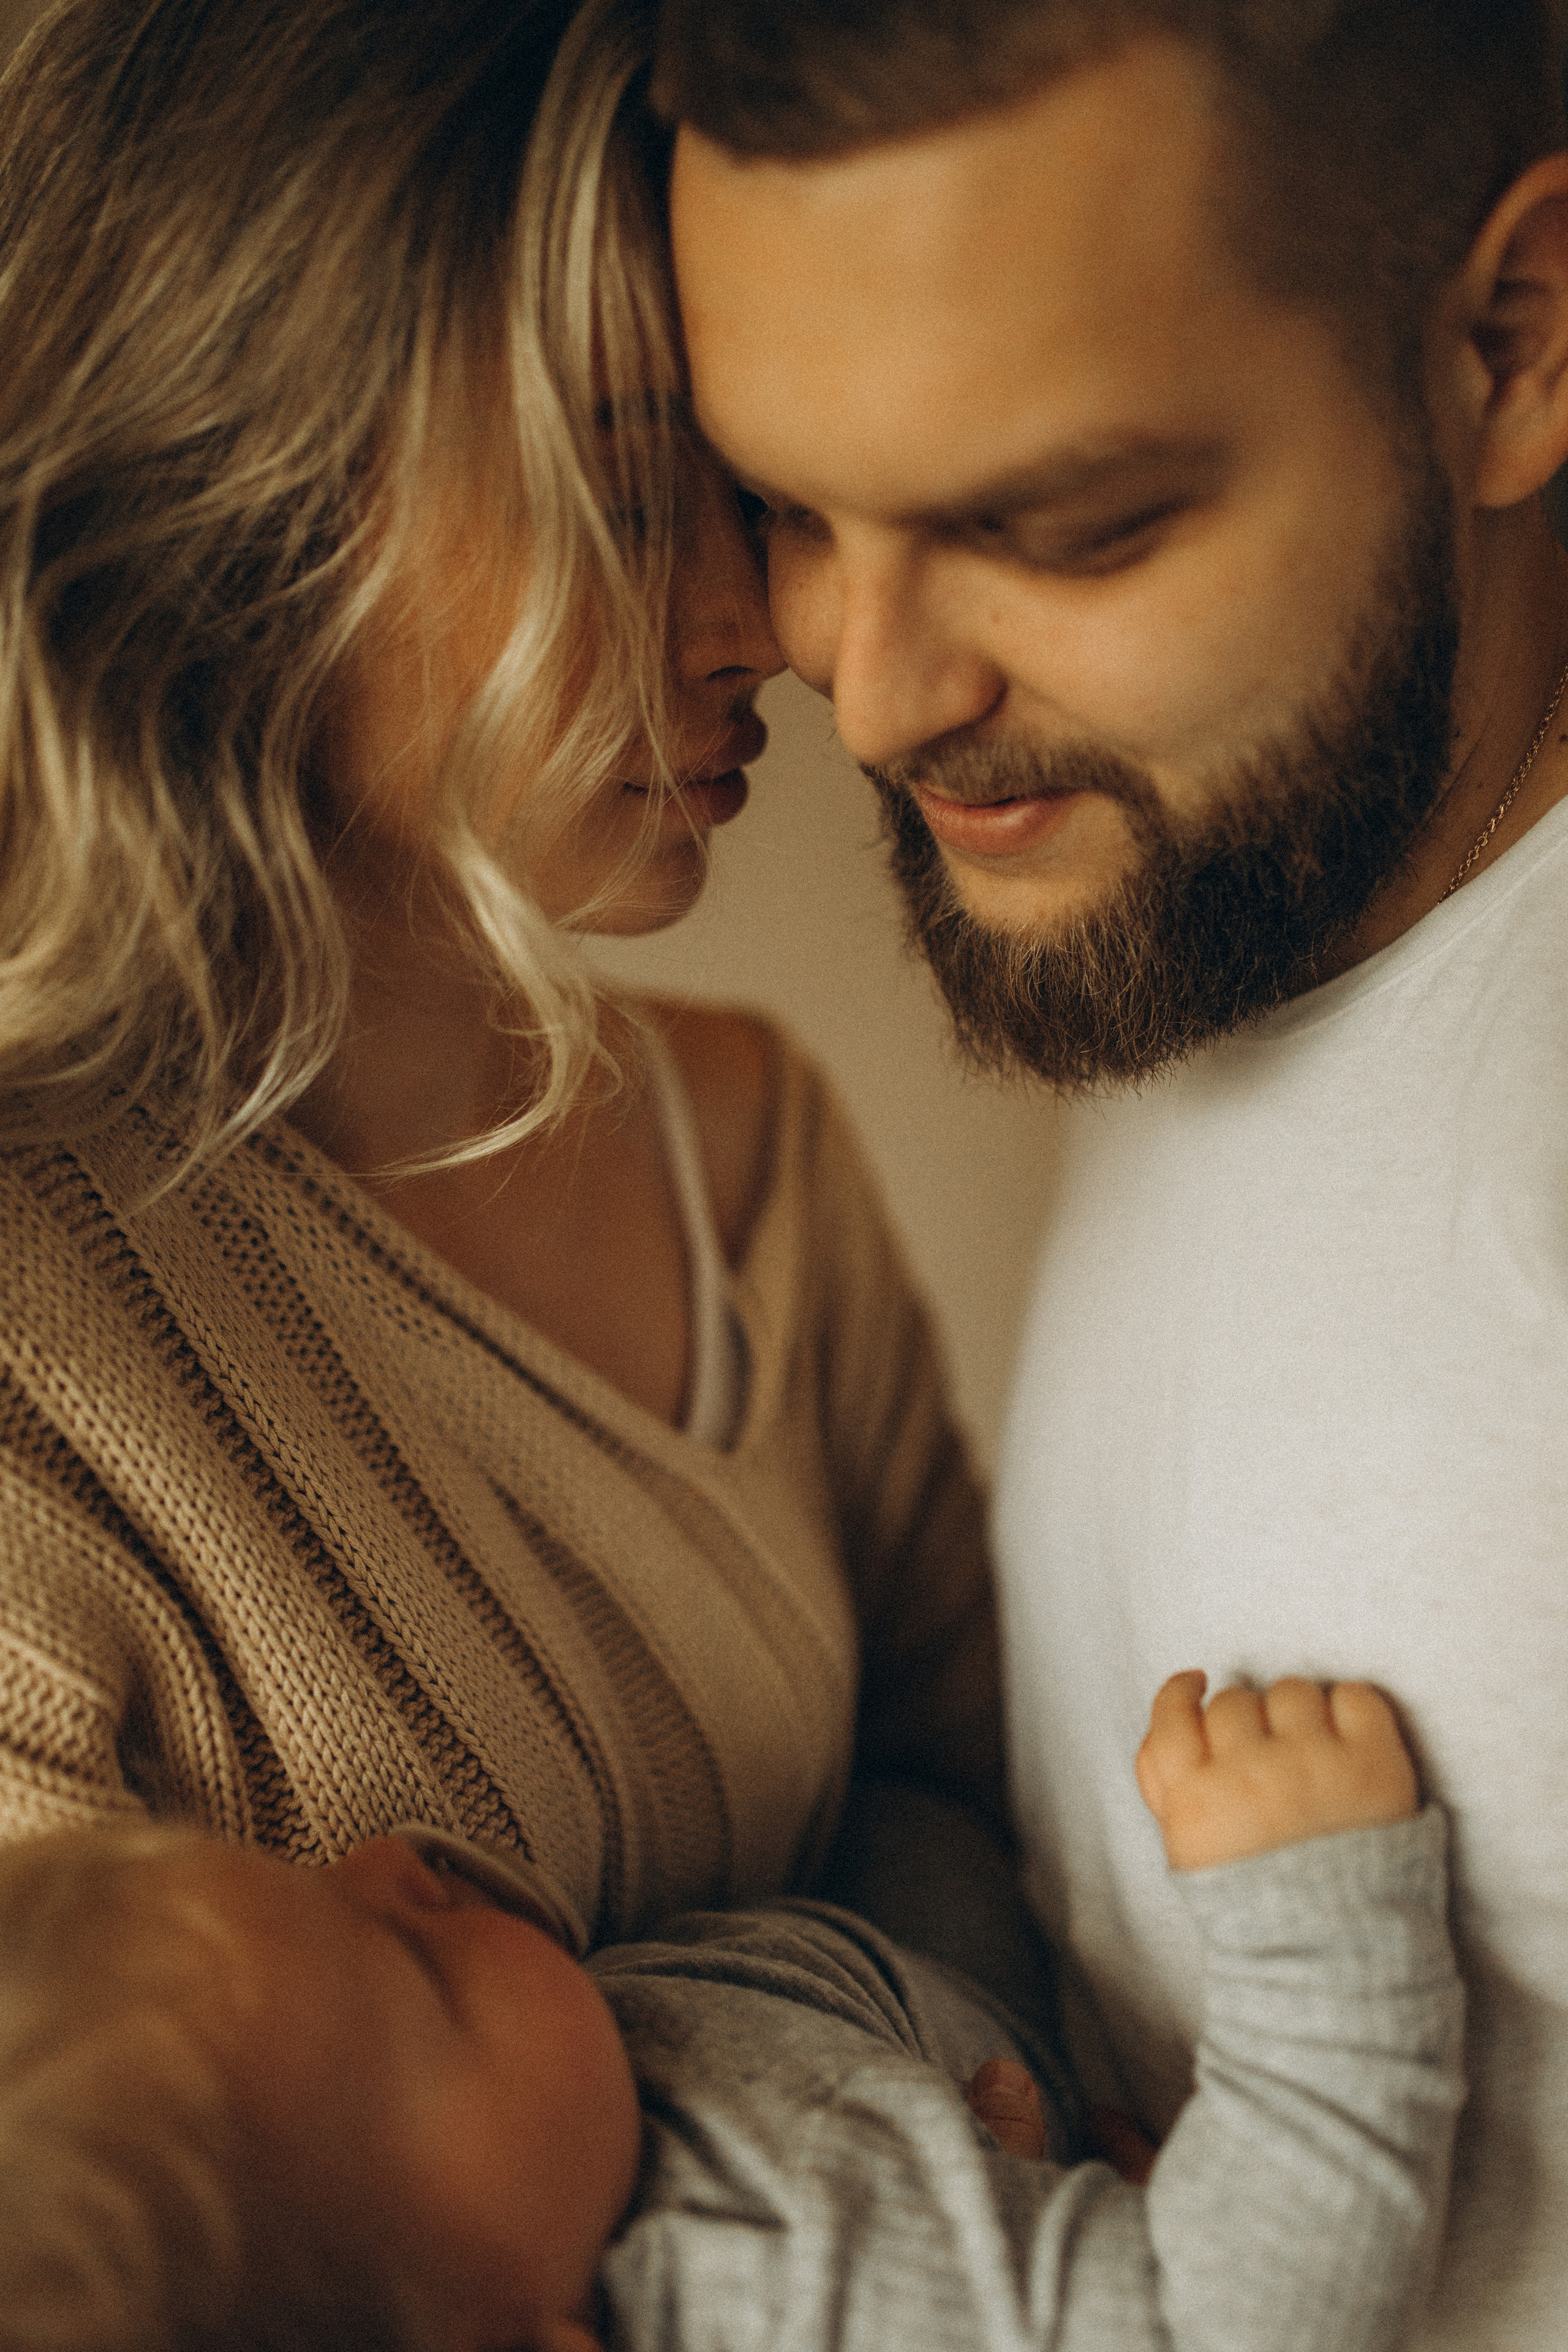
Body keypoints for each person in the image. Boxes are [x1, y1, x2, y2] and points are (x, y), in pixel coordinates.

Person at [655, 1, 1568, 2342]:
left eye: (1058, 529)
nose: (871, 694)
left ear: (1514, 343)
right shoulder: (1250, 885)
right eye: (792, 512)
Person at [0, 0, 1001, 1967]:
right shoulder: (37, 1343)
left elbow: (956, 1788)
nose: (759, 628)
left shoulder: (754, 1159)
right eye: (618, 499)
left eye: (755, 494)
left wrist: (961, 2079)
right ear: (236, 503)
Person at [0, 1670, 1461, 2352]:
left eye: (315, 1881)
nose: (390, 1863)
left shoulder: (551, 2152)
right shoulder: (785, 2281)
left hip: (912, 1998)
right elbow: (1242, 2321)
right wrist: (1310, 1910)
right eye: (415, 1971)